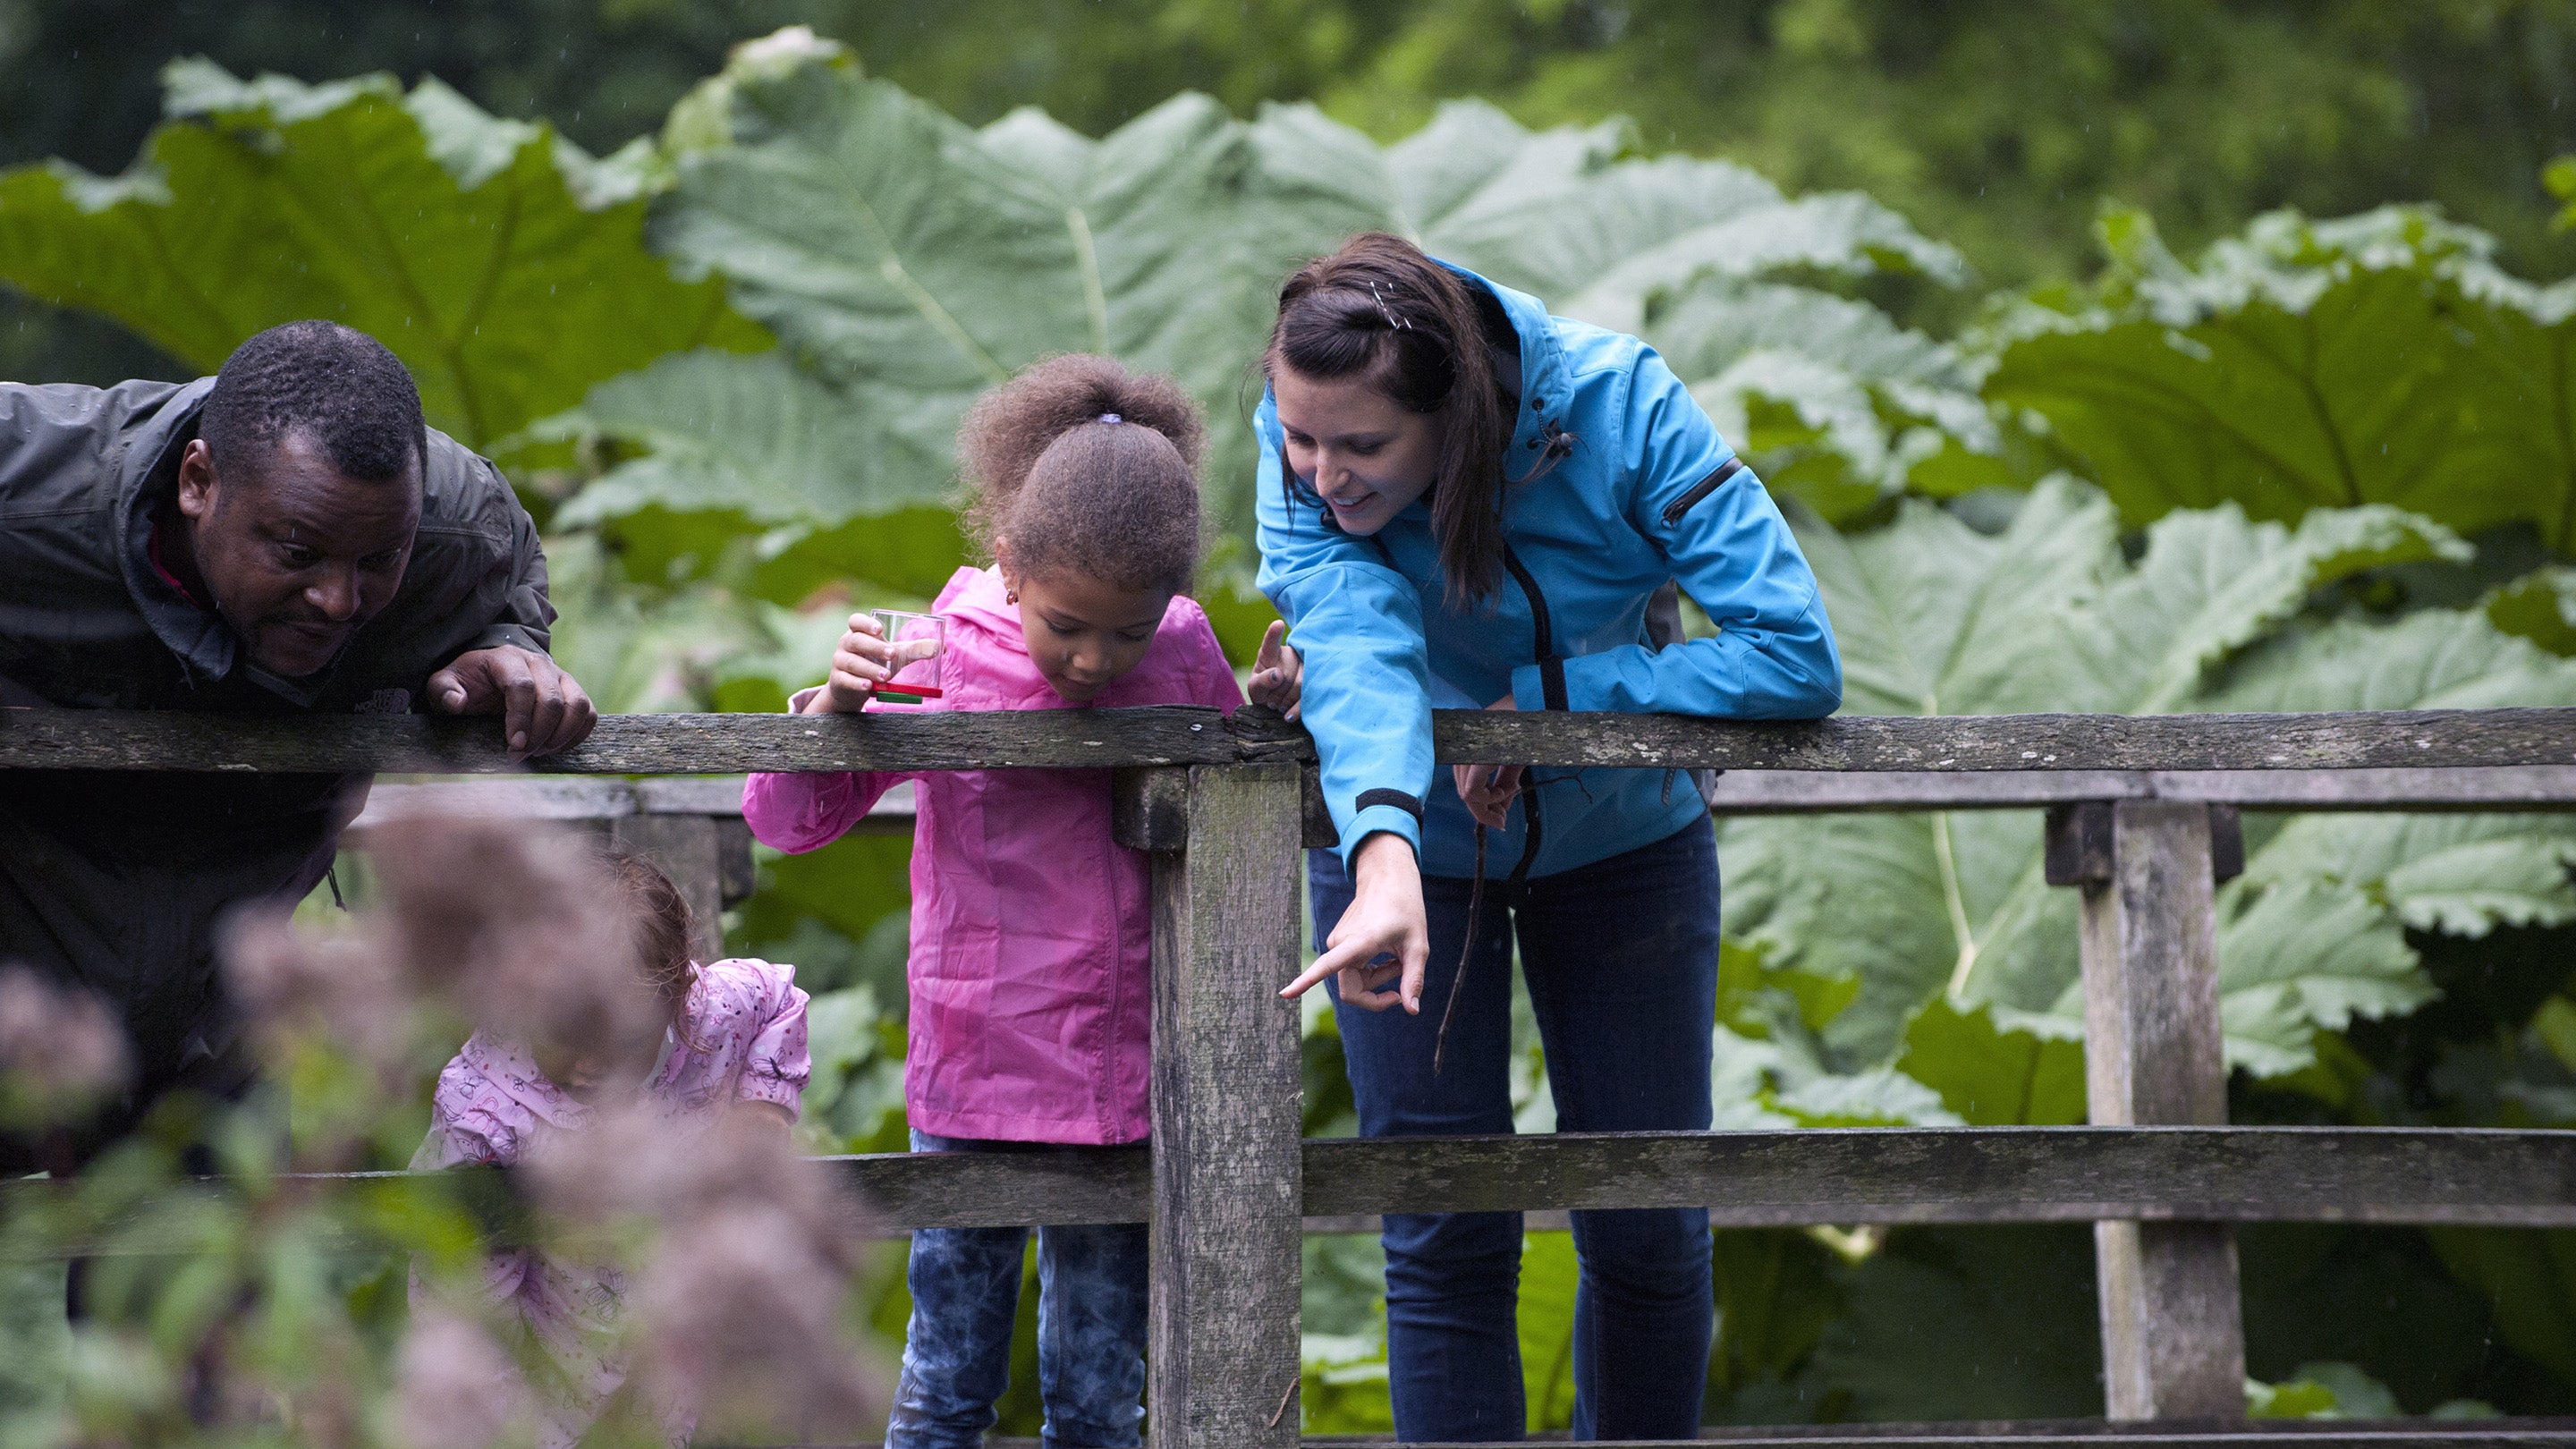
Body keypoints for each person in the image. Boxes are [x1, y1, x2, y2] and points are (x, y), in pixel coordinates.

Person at [1258, 233, 1843, 1442]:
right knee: (1443, 1228)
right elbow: (1357, 646)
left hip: (1626, 850)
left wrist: (1558, 703)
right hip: (1401, 861)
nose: (1322, 476)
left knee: (1645, 1223)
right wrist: (1380, 852)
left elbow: (1794, 652)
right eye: (1298, 438)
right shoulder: (1303, 448)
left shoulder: (1624, 405)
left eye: (1363, 447)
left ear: (1460, 413)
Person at [742, 354, 1301, 1449]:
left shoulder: (1182, 648)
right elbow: (788, 820)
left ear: (1172, 606)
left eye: (1124, 632)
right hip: (972, 1067)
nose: (1096, 658)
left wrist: (1273, 723)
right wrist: (834, 714)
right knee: (946, 1377)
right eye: (1065, 625)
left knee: (1099, 1393)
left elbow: (1240, 786)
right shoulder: (936, 645)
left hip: (1123, 1075)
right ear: (1006, 566)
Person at [0, 320, 597, 1166]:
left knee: (212, 1283)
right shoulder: (27, 487)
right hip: (22, 977)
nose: (337, 600)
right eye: (297, 552)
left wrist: (512, 651)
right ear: (198, 481)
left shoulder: (456, 530)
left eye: (377, 561)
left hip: (225, 1024)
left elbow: (505, 582)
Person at [415, 851, 811, 1449]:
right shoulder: (486, 1109)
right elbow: (465, 1298)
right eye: (567, 1030)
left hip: (677, 1346)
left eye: (619, 1032)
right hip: (543, 1378)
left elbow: (779, 999)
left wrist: (764, 1109)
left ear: (678, 994)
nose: (591, 1059)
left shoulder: (712, 1014)